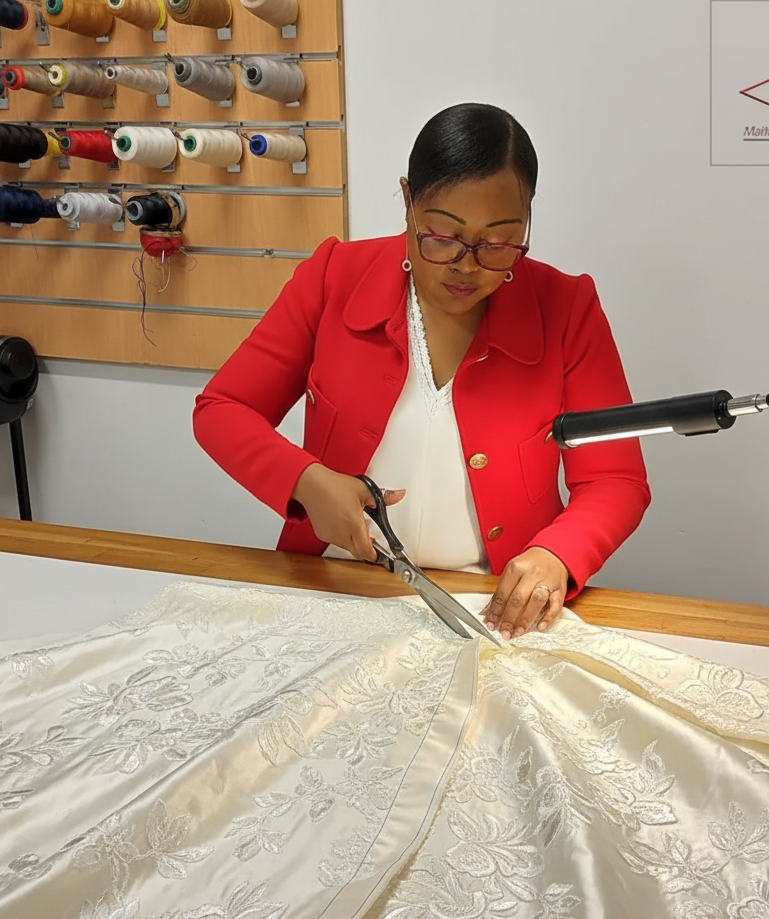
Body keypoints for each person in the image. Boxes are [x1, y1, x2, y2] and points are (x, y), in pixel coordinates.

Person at [193, 103, 650, 639]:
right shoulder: (335, 277)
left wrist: (557, 554)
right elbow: (222, 410)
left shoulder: (567, 307)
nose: (467, 264)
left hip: (493, 608)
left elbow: (615, 478)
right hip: (338, 589)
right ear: (409, 201)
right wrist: (306, 482)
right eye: (443, 235)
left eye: (499, 241)